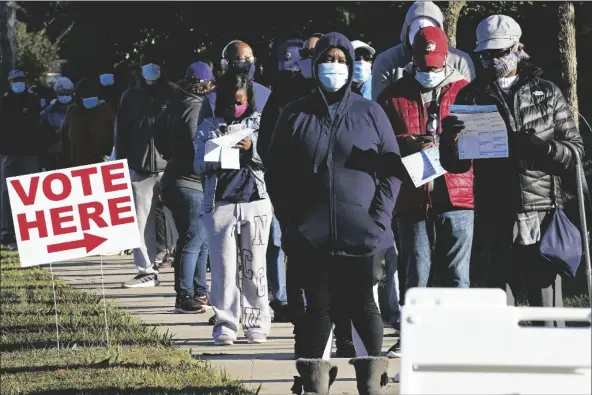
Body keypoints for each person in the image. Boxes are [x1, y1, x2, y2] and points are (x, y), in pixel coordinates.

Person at [266, 32, 401, 394]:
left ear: (352, 67)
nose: (334, 66)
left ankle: (372, 383)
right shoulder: (295, 113)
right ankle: (314, 385)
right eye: (328, 59)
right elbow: (275, 172)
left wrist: (379, 221)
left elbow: (391, 171)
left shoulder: (370, 112)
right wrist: (290, 223)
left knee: (363, 306)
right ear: (315, 64)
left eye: (342, 61)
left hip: (363, 234)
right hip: (310, 236)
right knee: (316, 310)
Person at [439, 15, 584, 327]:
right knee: (498, 314)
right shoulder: (470, 95)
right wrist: (449, 141)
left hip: (541, 213)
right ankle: (504, 372)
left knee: (547, 314)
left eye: (500, 52)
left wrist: (544, 150)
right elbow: (457, 165)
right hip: (495, 215)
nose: (493, 61)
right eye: (485, 55)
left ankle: (551, 370)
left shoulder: (547, 92)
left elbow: (575, 151)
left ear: (519, 48)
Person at [378, 26, 474, 358]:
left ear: (447, 57)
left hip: (458, 194)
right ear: (413, 58)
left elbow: (483, 143)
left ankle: (459, 338)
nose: (430, 71)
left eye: (435, 64)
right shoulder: (393, 96)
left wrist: (455, 143)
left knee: (457, 271)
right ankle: (413, 334)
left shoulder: (466, 92)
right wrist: (405, 145)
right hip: (413, 195)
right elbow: (379, 146)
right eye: (423, 63)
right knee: (415, 268)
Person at [194, 71, 272, 346]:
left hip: (256, 202)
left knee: (255, 267)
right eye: (229, 102)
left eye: (239, 101)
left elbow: (273, 158)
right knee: (224, 270)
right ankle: (226, 324)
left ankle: (257, 323)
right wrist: (217, 152)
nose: (234, 107)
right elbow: (198, 166)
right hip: (221, 204)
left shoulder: (261, 124)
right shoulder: (207, 127)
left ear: (248, 99)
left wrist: (252, 148)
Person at [116, 50, 178, 288]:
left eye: (156, 65)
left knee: (178, 219)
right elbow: (121, 133)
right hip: (140, 167)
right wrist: (122, 163)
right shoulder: (130, 96)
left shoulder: (173, 93)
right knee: (140, 221)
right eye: (147, 66)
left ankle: (185, 267)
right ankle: (146, 270)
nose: (152, 70)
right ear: (140, 69)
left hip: (170, 166)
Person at [156, 62, 215, 314]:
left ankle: (199, 291)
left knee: (199, 240)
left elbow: (158, 134)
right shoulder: (195, 107)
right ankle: (185, 296)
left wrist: (170, 154)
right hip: (189, 182)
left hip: (176, 178)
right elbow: (197, 145)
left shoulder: (173, 103)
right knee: (192, 240)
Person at [371, 0, 475, 101]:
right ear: (407, 31)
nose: (424, 37)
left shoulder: (460, 61)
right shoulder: (386, 61)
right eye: (418, 30)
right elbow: (380, 107)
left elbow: (467, 104)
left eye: (430, 29)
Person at [0, 70, 43, 250]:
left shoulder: (32, 100)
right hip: (8, 153)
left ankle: (29, 231)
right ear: (9, 83)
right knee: (6, 193)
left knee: (30, 192)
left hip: (30, 152)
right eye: (15, 81)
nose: (19, 83)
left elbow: (37, 124)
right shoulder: (3, 101)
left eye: (21, 80)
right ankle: (7, 232)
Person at [196, 40, 270, 125]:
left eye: (249, 59)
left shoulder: (212, 98)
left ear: (225, 64)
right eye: (242, 59)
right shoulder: (267, 93)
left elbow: (201, 134)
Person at [60, 78, 115, 167]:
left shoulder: (105, 109)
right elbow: (64, 137)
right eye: (86, 97)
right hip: (78, 163)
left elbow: (115, 134)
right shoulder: (72, 111)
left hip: (102, 163)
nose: (90, 99)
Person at [39, 77, 74, 171]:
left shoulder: (78, 109)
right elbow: (41, 134)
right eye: (61, 94)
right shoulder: (48, 111)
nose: (64, 96)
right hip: (54, 154)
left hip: (74, 153)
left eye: (67, 93)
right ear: (57, 94)